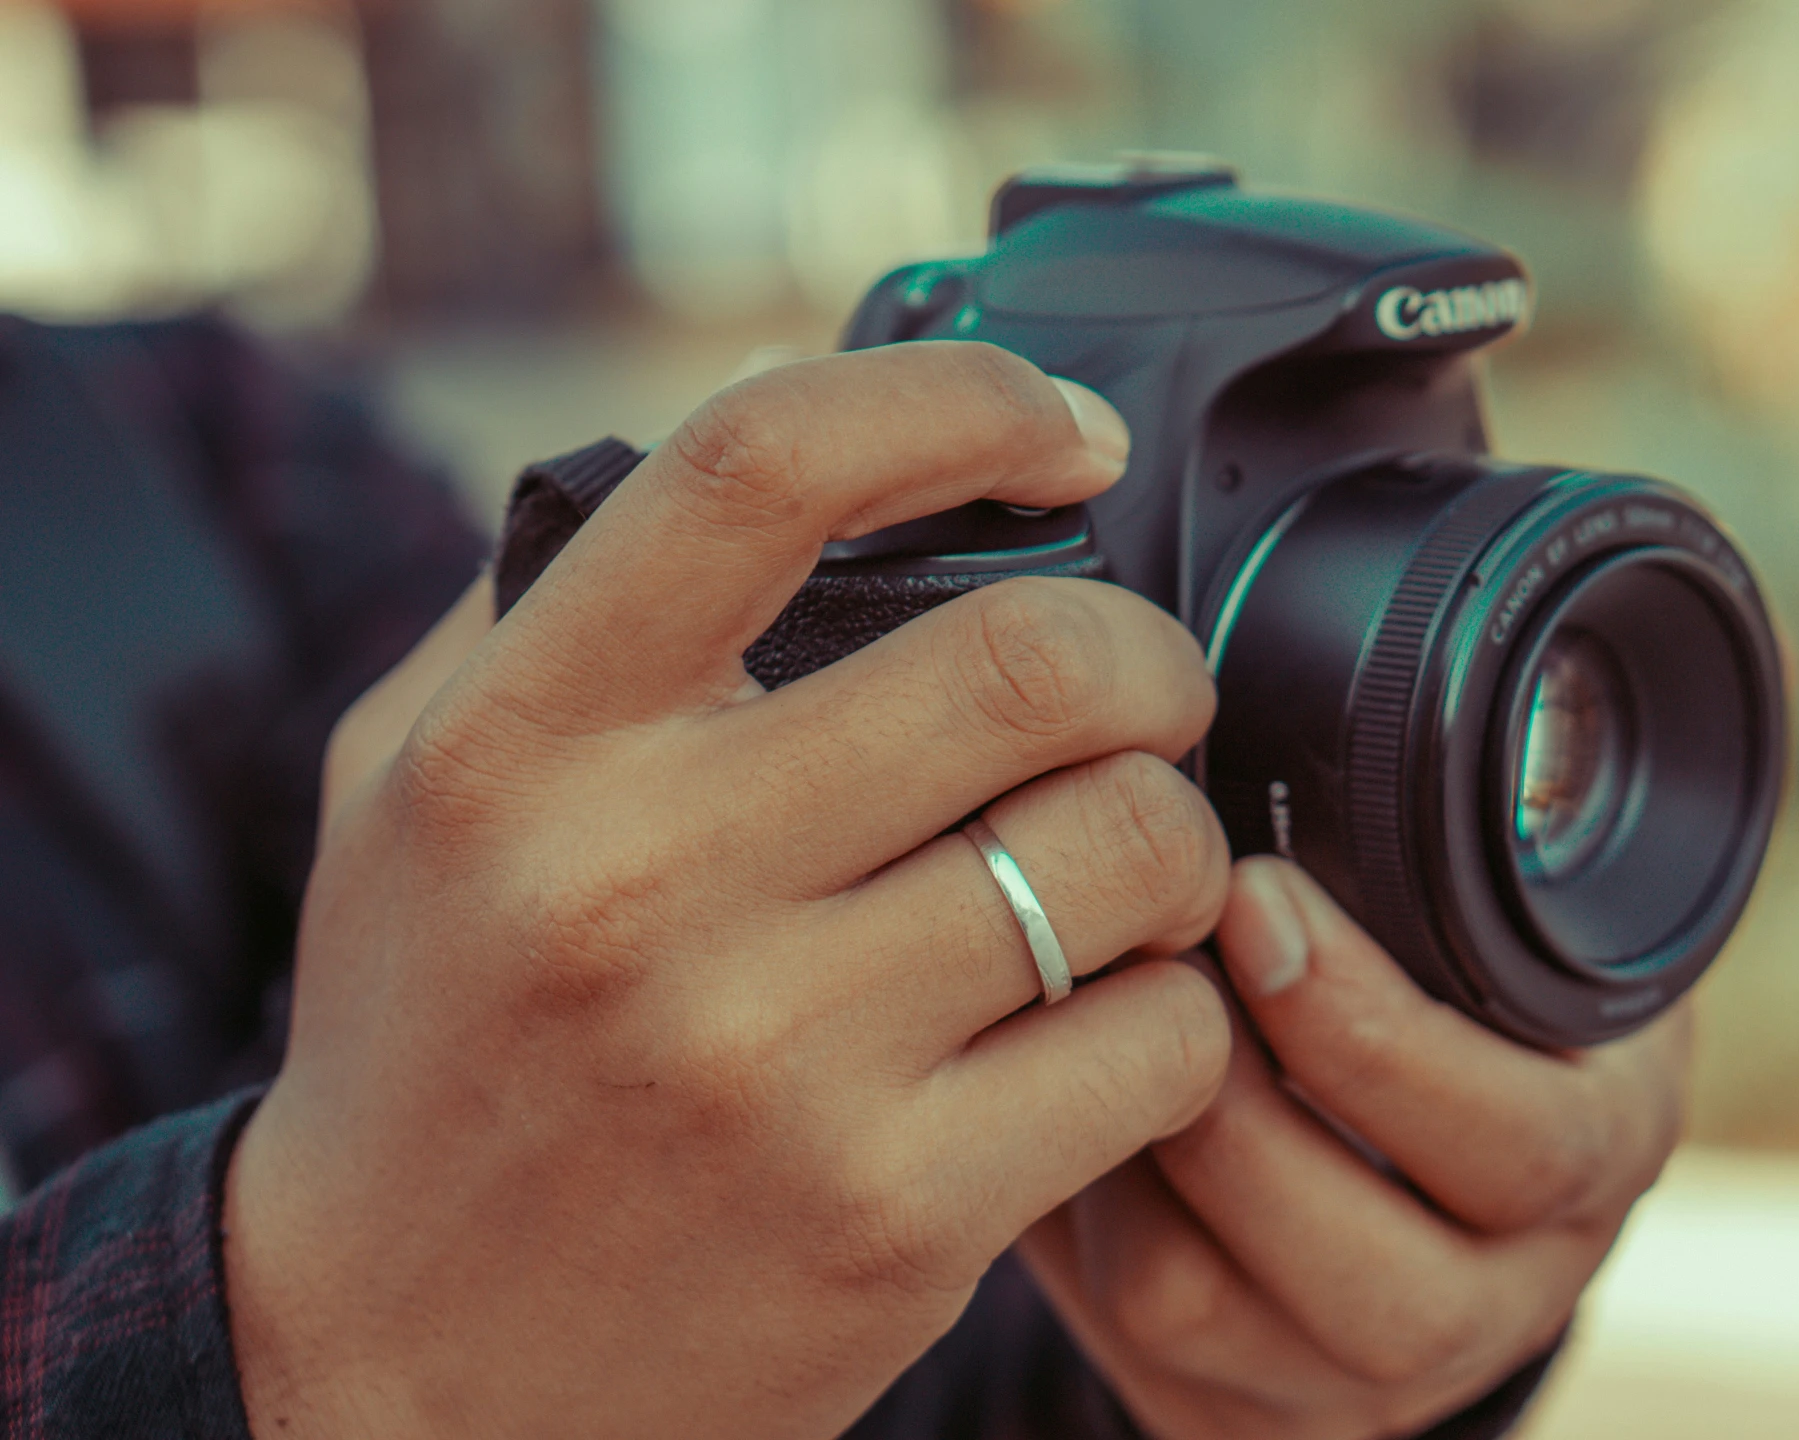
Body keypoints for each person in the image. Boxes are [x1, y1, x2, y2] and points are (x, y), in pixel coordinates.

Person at [0, 315, 1689, 1439]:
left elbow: (807, 1286)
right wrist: (316, 1356)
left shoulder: (193, 459)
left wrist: (1307, 1301)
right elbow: (476, 1284)